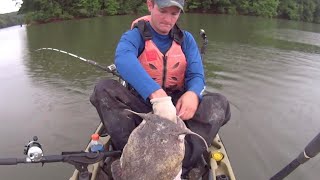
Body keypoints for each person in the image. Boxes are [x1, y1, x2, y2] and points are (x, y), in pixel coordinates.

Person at [90, 0, 231, 178]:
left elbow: (197, 76)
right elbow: (123, 58)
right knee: (104, 89)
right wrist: (157, 96)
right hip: (143, 107)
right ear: (150, 5)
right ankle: (129, 155)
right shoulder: (135, 36)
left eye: (174, 13)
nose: (168, 19)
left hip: (176, 112)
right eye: (163, 11)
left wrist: (192, 94)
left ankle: (182, 163)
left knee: (219, 103)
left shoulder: (186, 39)